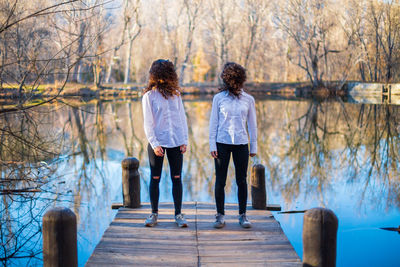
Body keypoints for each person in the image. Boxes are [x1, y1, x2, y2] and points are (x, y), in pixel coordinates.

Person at [209, 62, 257, 229]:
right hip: (221, 143)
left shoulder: (249, 99)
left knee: (241, 180)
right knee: (220, 181)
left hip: (241, 143)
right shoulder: (218, 99)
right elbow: (213, 123)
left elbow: (252, 125)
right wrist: (212, 144)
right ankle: (220, 215)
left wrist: (254, 147)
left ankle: (242, 215)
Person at [142, 59, 188, 228]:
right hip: (158, 143)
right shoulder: (149, 96)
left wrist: (184, 140)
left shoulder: (176, 95)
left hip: (176, 141)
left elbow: (182, 119)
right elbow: (148, 123)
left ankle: (178, 214)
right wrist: (154, 144)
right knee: (155, 178)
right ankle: (154, 214)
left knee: (177, 178)